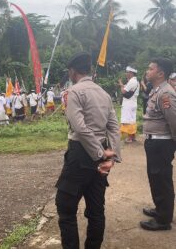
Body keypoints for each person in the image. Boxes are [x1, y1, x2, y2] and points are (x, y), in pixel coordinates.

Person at [55, 52, 121, 249]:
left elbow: (80, 127)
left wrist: (100, 154)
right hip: (100, 153)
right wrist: (111, 156)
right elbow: (114, 127)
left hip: (81, 154)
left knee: (65, 206)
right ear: (90, 70)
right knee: (96, 210)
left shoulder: (74, 92)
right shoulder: (104, 94)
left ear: (73, 72)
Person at [140, 58, 176, 231]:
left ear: (160, 73)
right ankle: (160, 209)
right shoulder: (157, 90)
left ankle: (164, 220)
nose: (147, 71)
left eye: (150, 68)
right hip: (154, 142)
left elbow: (174, 120)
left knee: (162, 180)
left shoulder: (166, 93)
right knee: (155, 178)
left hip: (162, 144)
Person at [119, 66, 140, 143]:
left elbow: (124, 92)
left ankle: (130, 138)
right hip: (133, 103)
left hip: (128, 104)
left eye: (127, 72)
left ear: (131, 73)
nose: (126, 73)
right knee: (132, 120)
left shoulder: (131, 81)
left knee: (128, 120)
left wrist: (121, 85)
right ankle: (133, 137)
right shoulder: (136, 81)